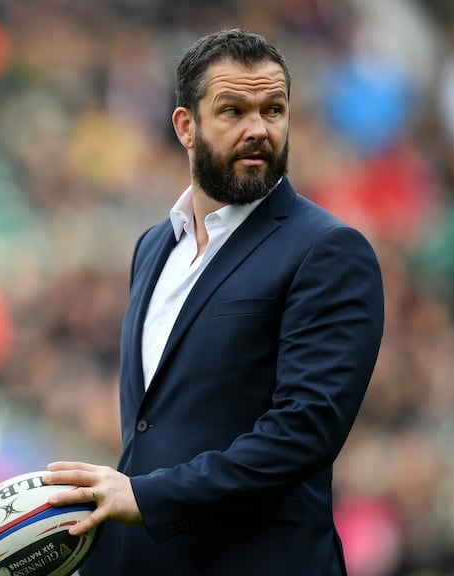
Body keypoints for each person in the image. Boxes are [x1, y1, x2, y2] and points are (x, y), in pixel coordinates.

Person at [42, 28, 385, 575]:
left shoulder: (328, 250)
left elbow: (304, 432)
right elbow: (153, 433)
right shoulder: (153, 246)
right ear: (186, 126)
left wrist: (149, 499)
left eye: (273, 109)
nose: (258, 129)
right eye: (233, 111)